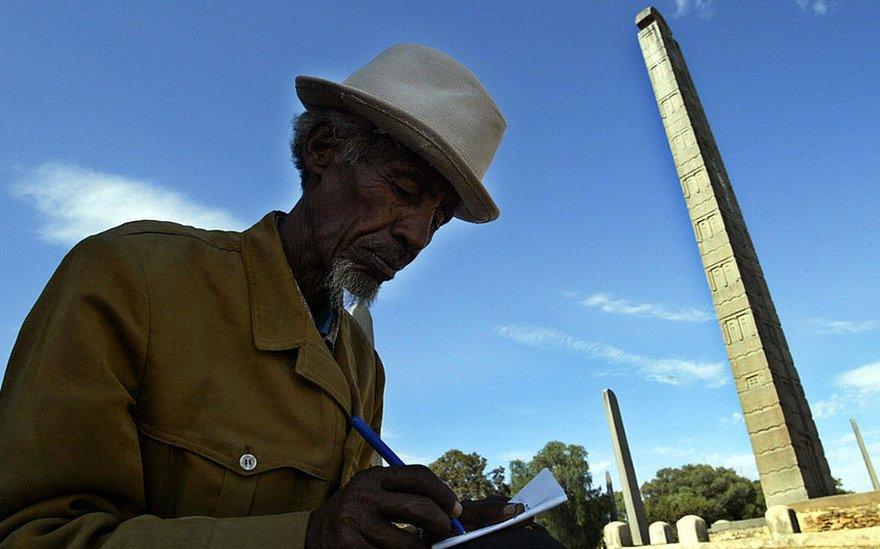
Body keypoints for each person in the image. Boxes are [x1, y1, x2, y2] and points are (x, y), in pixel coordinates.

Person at [0, 44, 562, 548]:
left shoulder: (363, 368)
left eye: (437, 218)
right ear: (323, 150)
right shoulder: (129, 279)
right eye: (405, 189)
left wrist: (441, 533)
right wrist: (306, 538)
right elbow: (35, 534)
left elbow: (344, 527)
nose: (416, 235)